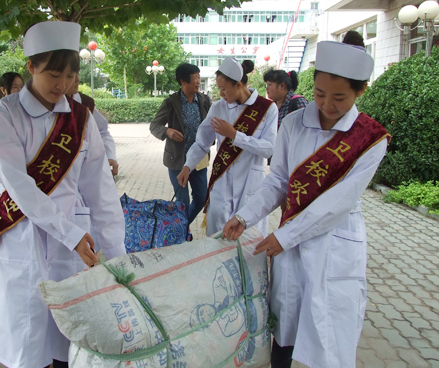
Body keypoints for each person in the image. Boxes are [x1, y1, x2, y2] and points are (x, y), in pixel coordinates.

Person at [222, 40, 390, 368]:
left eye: (339, 97)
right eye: (320, 93)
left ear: (361, 91)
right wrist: (245, 216)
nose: (327, 104)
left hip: (335, 240)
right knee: (285, 327)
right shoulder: (294, 124)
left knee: (330, 334)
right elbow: (279, 181)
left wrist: (285, 237)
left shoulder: (370, 139)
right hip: (291, 242)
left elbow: (338, 203)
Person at [0, 21, 126, 368]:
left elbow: (100, 190)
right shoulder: (5, 115)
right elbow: (18, 185)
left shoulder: (81, 119)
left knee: (71, 342)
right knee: (28, 339)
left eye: (70, 76)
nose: (62, 85)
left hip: (72, 240)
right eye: (53, 74)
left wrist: (117, 256)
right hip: (24, 233)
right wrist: (70, 234)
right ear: (31, 67)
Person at [177, 58, 278, 236]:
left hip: (249, 184)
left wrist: (235, 135)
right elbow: (202, 142)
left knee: (247, 240)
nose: (221, 93)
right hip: (222, 184)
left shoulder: (267, 109)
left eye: (224, 88)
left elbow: (268, 149)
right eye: (219, 88)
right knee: (217, 239)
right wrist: (187, 166)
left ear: (238, 84)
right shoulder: (218, 108)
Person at [150, 63, 211, 224]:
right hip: (177, 160)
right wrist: (167, 131)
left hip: (199, 160)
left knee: (202, 198)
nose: (198, 81)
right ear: (183, 81)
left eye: (199, 77)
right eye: (195, 78)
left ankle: (181, 228)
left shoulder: (204, 101)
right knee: (182, 202)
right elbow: (154, 125)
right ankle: (182, 231)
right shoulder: (171, 102)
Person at [66, 74, 119, 176]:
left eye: (77, 73)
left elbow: (102, 131)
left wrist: (110, 155)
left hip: (86, 172)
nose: (77, 79)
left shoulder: (85, 104)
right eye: (70, 75)